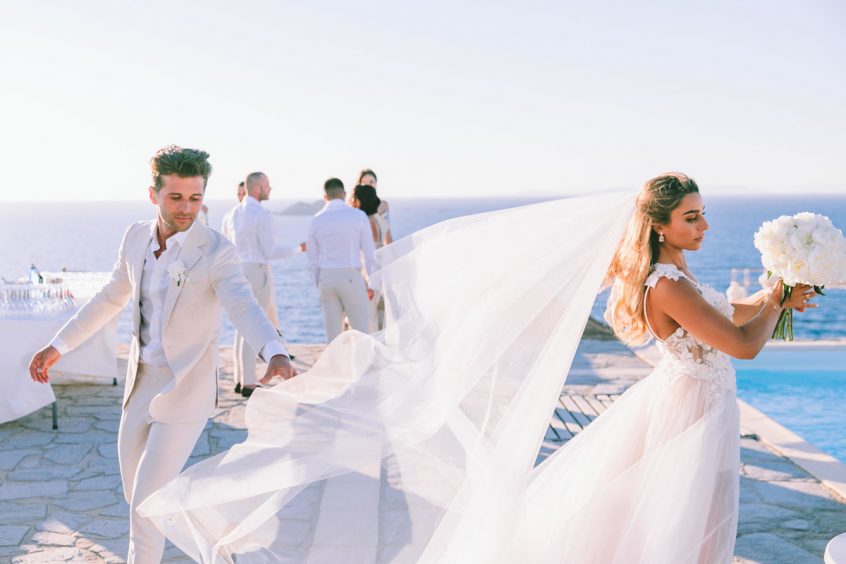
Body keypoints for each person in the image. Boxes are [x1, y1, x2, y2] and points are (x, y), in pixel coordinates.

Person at [138, 175, 817, 563]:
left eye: (703, 216)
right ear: (662, 226)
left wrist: (771, 293)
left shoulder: (677, 273)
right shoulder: (668, 282)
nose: (703, 226)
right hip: (690, 408)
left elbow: (730, 324)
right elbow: (742, 344)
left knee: (668, 521)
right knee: (681, 524)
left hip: (690, 400)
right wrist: (780, 294)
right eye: (691, 218)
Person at [27, 145, 296, 564]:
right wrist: (58, 345)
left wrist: (273, 350)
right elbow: (109, 297)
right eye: (176, 197)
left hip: (186, 388)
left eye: (195, 197)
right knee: (138, 500)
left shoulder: (217, 252)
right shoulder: (135, 237)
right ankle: (218, 544)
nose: (187, 208)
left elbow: (243, 303)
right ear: (154, 194)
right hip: (140, 386)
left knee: (145, 511)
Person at [229, 172, 305, 397]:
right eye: (267, 185)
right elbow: (270, 251)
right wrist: (298, 249)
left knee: (240, 325)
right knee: (253, 325)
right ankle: (249, 383)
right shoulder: (262, 214)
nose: (270, 189)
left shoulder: (233, 213)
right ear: (257, 189)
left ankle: (240, 377)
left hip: (237, 270)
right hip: (257, 272)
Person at [307, 177, 376, 342]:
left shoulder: (316, 220)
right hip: (351, 276)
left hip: (326, 278)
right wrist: (372, 282)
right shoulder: (358, 216)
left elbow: (312, 260)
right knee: (361, 334)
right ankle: (361, 368)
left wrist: (319, 282)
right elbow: (369, 253)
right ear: (344, 194)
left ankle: (336, 368)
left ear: (325, 196)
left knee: (333, 337)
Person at [350, 183, 386, 331]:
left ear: (360, 201)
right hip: (380, 268)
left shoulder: (364, 221)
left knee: (367, 318)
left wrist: (368, 282)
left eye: (353, 198)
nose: (351, 202)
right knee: (378, 316)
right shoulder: (379, 220)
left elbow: (366, 254)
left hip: (368, 272)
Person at [359, 168, 392, 245]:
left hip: (382, 253)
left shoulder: (384, 205)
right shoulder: (355, 207)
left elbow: (388, 235)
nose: (368, 185)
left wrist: (394, 255)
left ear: (376, 183)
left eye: (371, 182)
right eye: (364, 183)